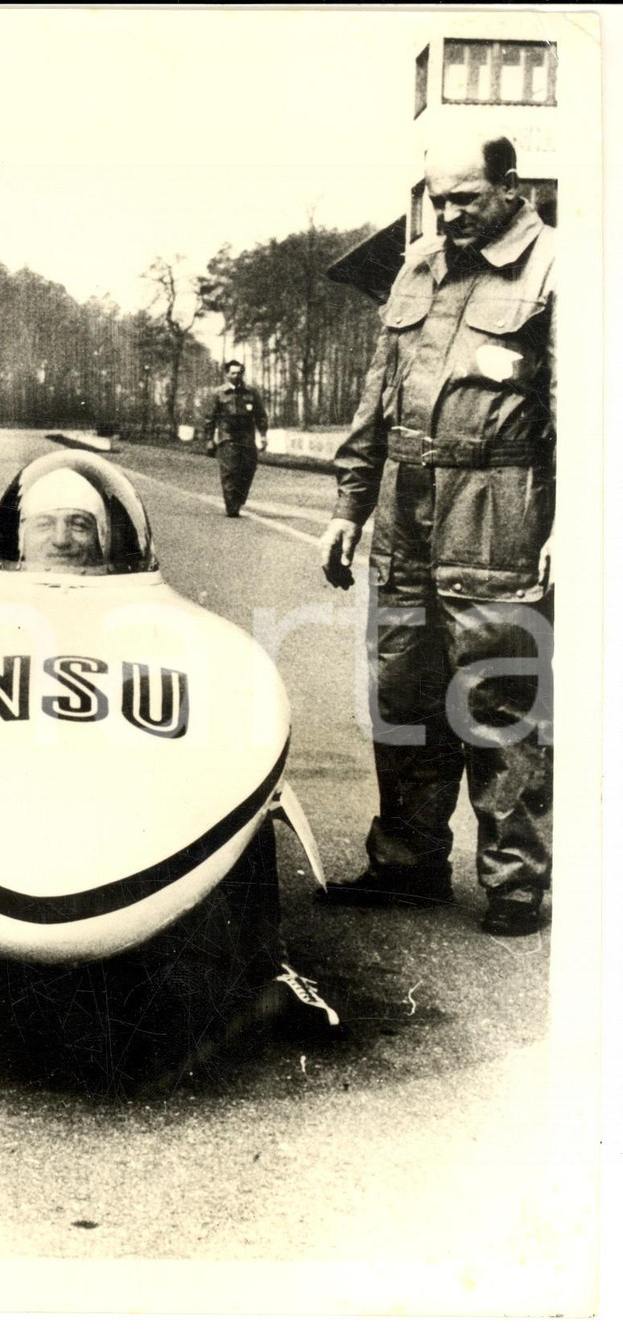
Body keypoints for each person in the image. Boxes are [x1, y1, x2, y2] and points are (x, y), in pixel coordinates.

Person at [0, 453, 337, 1039]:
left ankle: (272, 966)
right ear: (18, 534)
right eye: (45, 524)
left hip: (109, 790)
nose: (63, 538)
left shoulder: (167, 623)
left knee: (239, 773)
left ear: (106, 536)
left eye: (79, 524)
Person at [318, 127, 555, 938]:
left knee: (497, 694)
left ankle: (516, 884)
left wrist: (578, 524)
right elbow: (375, 399)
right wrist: (350, 507)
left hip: (497, 506)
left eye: (465, 198)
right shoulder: (417, 265)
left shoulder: (559, 268)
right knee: (404, 694)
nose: (448, 213)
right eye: (438, 198)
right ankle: (407, 865)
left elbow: (592, 414)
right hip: (406, 510)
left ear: (510, 185)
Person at [201, 359, 269, 517]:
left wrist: (263, 435)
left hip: (247, 436)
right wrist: (209, 439)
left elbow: (260, 416)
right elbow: (209, 418)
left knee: (248, 469)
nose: (236, 376)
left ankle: (239, 498)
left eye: (239, 373)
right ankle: (232, 506)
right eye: (233, 373)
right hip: (228, 437)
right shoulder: (218, 393)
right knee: (230, 471)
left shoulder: (251, 392)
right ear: (227, 374)